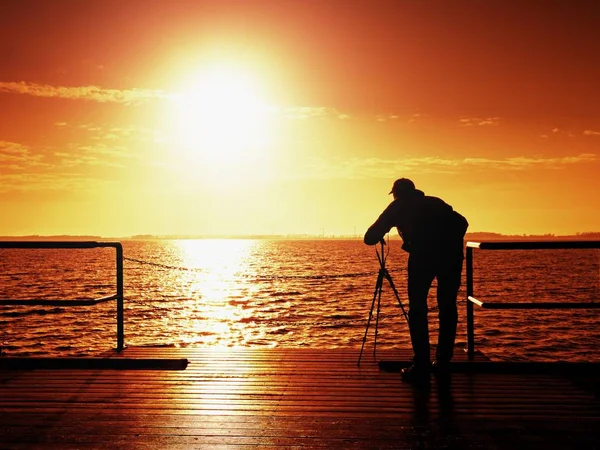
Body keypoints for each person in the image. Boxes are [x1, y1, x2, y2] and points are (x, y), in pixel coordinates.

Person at [364, 178, 468, 384]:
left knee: (418, 309)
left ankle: (421, 364)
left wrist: (387, 229)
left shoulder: (398, 206)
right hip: (451, 257)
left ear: (396, 194)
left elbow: (369, 237)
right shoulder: (435, 202)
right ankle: (443, 362)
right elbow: (462, 222)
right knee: (447, 307)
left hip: (422, 259)